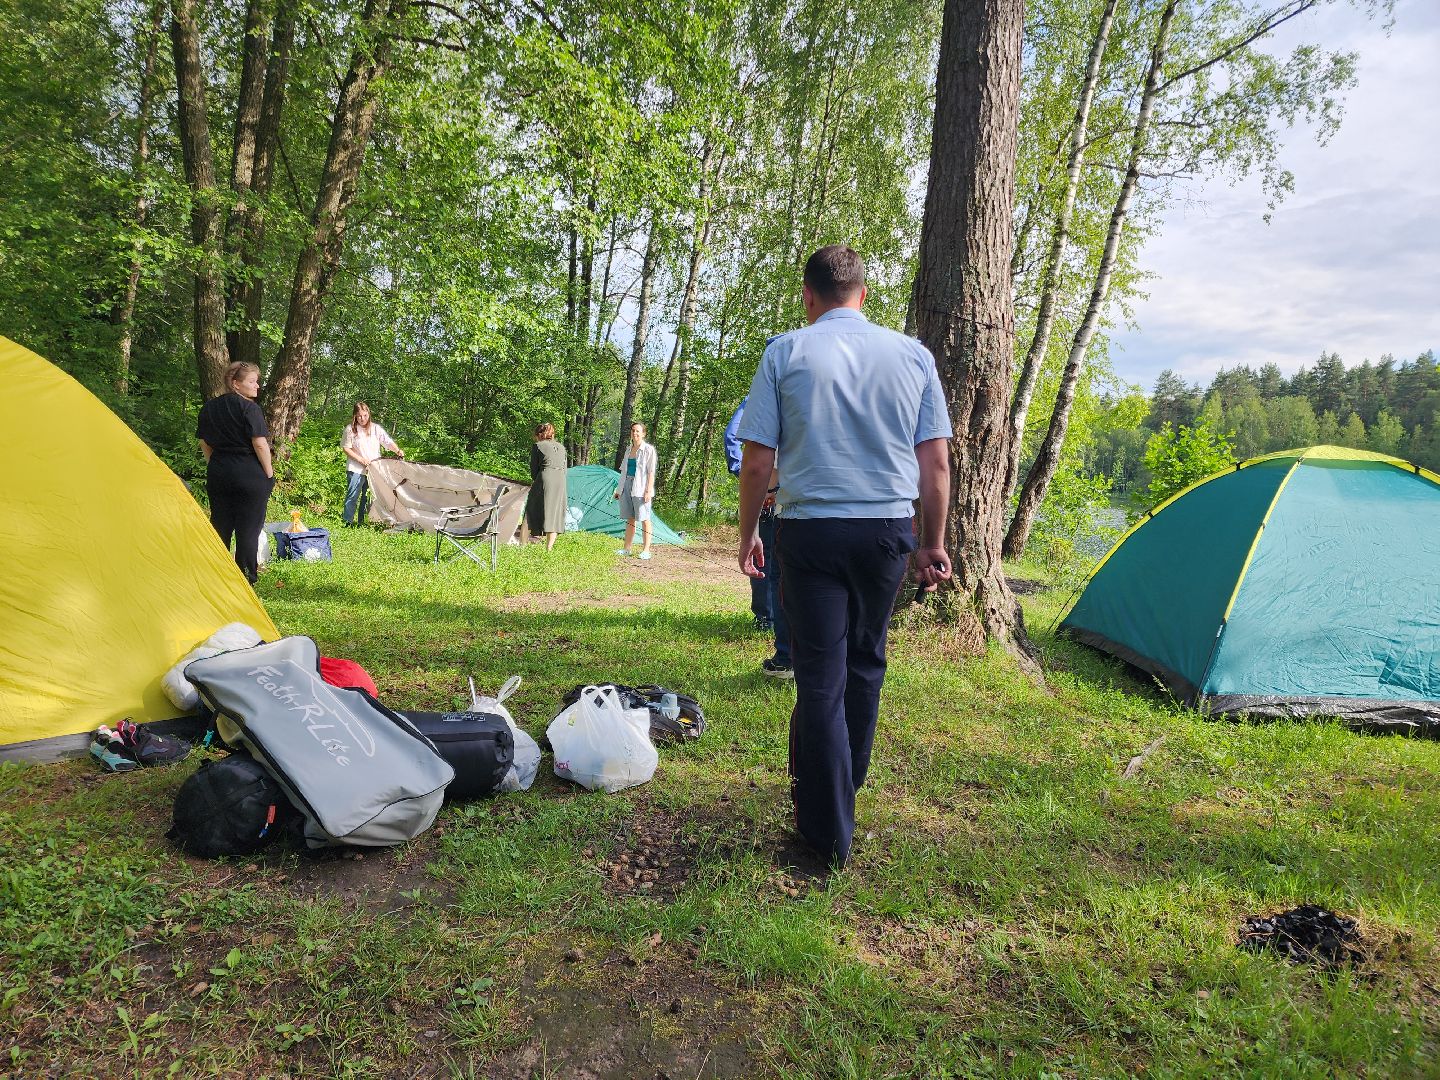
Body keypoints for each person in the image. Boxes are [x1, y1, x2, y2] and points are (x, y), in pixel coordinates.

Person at [735, 244, 953, 869]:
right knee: (866, 665)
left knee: (821, 680)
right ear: (863, 295)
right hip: (887, 531)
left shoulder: (786, 352)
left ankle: (827, 834)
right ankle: (843, 788)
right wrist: (933, 543)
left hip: (810, 533)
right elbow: (935, 462)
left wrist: (749, 532)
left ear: (809, 297)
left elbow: (757, 460)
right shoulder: (912, 356)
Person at [196, 361, 275, 585]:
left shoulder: (209, 408)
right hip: (249, 473)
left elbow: (204, 443)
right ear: (235, 384)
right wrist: (268, 475)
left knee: (220, 523)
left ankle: (215, 573)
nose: (257, 386)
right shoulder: (250, 408)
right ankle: (245, 576)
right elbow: (260, 444)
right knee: (248, 528)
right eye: (252, 381)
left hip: (219, 472)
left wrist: (218, 464)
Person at [341, 402, 403, 526]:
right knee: (353, 495)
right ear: (354, 416)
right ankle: (347, 521)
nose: (362, 419)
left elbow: (387, 442)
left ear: (369, 414)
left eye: (364, 415)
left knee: (368, 497)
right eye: (359, 416)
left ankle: (362, 522)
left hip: (373, 469)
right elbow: (346, 448)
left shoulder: (376, 429)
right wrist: (361, 460)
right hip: (356, 468)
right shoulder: (350, 429)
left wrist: (397, 450)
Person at [613, 422, 658, 560]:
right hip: (627, 486)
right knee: (630, 519)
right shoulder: (628, 449)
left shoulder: (648, 450)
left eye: (638, 431)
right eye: (633, 431)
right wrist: (619, 490)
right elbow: (624, 471)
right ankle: (627, 548)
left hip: (641, 487)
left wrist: (648, 491)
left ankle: (646, 550)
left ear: (643, 433)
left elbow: (651, 472)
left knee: (645, 518)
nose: (635, 433)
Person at [526, 423, 568, 551]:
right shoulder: (562, 448)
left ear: (539, 435)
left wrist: (537, 480)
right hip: (560, 480)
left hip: (545, 477)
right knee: (554, 513)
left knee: (530, 510)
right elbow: (565, 469)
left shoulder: (538, 446)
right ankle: (549, 549)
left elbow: (534, 470)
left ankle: (522, 544)